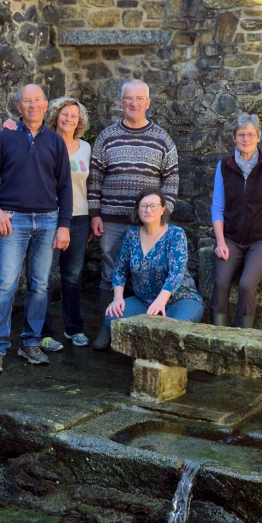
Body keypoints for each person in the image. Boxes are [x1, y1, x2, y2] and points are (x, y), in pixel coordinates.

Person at [0, 84, 72, 373]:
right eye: (26, 101)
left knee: (40, 285)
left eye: (37, 100)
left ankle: (31, 342)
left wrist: (64, 226)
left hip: (47, 221)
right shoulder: (5, 138)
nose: (33, 105)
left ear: (46, 105)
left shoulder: (55, 142)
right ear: (19, 107)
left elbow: (65, 187)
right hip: (12, 220)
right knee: (5, 285)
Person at [88, 80, 179, 350]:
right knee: (110, 274)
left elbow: (171, 179)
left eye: (139, 98)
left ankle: (146, 332)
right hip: (112, 219)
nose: (134, 103)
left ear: (148, 103)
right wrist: (95, 214)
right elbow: (95, 177)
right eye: (129, 98)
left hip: (149, 223)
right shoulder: (107, 137)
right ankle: (106, 329)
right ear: (121, 102)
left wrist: (163, 214)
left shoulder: (162, 138)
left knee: (150, 275)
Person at [2, 97, 91, 349]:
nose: (69, 119)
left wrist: (94, 216)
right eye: (64, 114)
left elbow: (91, 184)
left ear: (80, 121)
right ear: (55, 115)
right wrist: (9, 126)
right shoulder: (43, 141)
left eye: (74, 115)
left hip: (79, 218)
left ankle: (74, 329)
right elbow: (21, 139)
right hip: (50, 216)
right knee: (45, 278)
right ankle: (44, 332)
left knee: (72, 276)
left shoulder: (86, 148)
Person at [210, 112, 262, 329]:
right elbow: (217, 207)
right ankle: (216, 335)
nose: (245, 139)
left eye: (250, 134)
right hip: (231, 239)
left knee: (247, 284)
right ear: (234, 138)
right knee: (220, 282)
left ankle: (243, 336)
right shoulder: (223, 166)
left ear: (258, 137)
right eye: (241, 135)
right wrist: (220, 242)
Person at [105, 188, 204, 327]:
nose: (148, 210)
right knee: (112, 318)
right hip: (144, 301)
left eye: (153, 206)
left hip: (180, 299)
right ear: (138, 210)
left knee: (171, 329)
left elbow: (177, 272)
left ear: (163, 209)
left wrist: (160, 301)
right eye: (144, 206)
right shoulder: (132, 235)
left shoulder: (175, 234)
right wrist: (117, 298)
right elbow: (120, 270)